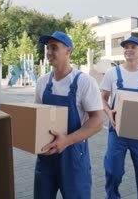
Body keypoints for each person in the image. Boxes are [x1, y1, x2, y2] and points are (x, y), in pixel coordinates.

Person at [34, 31, 104, 199]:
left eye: (54, 47)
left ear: (68, 51)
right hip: (46, 155)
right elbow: (37, 116)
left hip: (73, 157)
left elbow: (97, 121)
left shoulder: (84, 82)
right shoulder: (42, 82)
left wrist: (67, 141)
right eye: (47, 48)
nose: (49, 52)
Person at [100, 36, 138, 199]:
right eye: (126, 47)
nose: (129, 49)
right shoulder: (113, 73)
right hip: (116, 131)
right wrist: (108, 111)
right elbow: (102, 98)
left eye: (133, 46)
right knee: (113, 171)